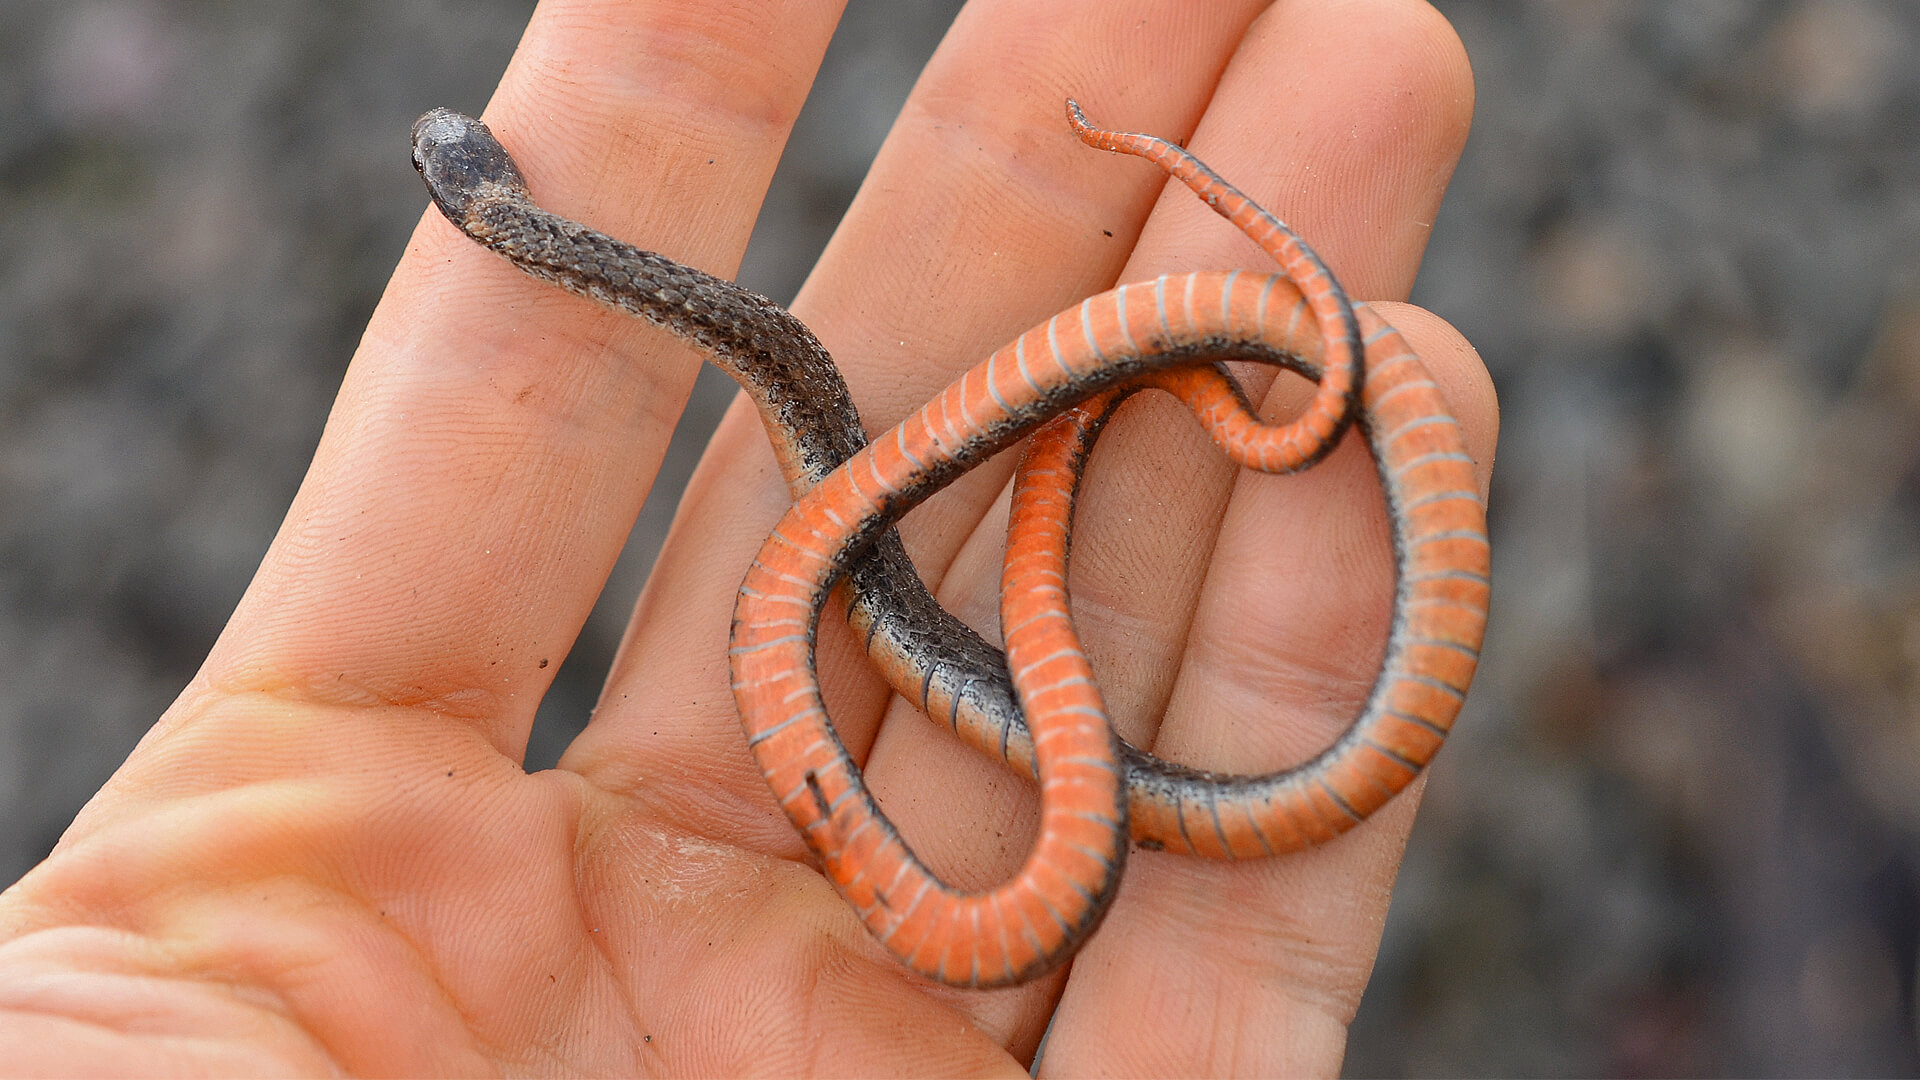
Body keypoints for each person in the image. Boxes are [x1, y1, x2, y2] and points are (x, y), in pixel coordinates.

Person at [0, 0, 1492, 1073]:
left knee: (867, 422)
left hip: (873, 542)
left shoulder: (737, 342)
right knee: (914, 480)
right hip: (889, 608)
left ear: (483, 215)